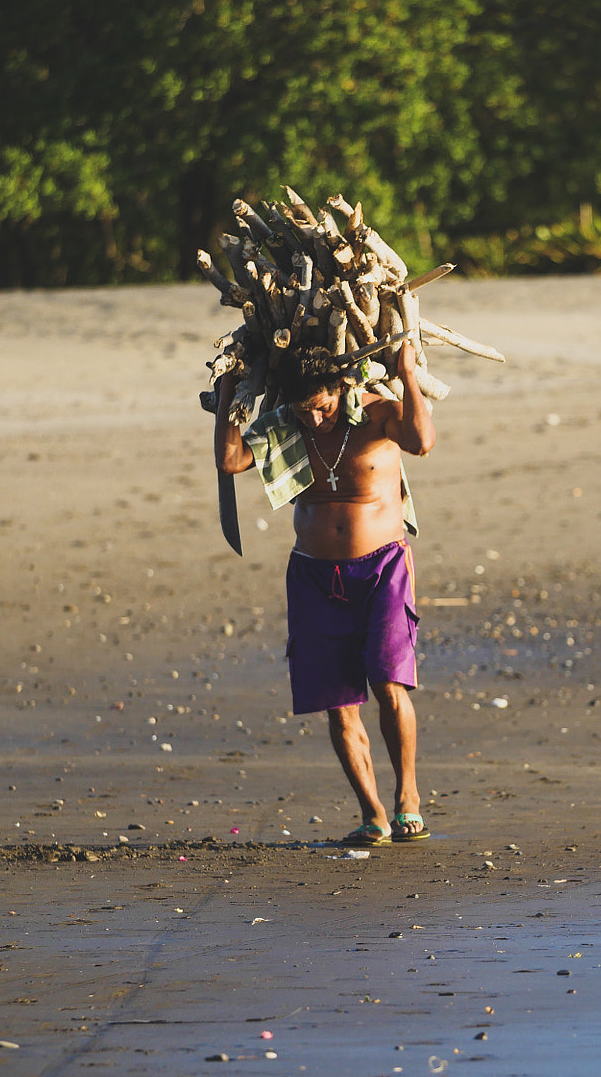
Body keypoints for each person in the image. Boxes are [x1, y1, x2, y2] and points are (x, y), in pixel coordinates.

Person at [213, 339, 435, 845]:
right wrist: (229, 393)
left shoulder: (377, 416)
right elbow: (230, 458)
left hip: (382, 569)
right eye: (303, 411)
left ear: (342, 387)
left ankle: (408, 799)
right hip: (314, 575)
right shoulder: (285, 425)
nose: (314, 420)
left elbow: (421, 442)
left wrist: (406, 374)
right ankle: (373, 813)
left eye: (323, 407)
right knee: (339, 703)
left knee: (389, 684)